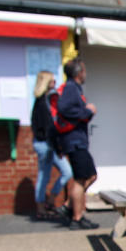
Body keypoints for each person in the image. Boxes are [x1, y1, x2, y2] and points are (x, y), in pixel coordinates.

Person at [56, 58, 99, 229]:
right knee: (82, 179)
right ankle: (76, 217)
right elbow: (64, 108)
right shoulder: (71, 88)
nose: (85, 74)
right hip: (75, 142)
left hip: (76, 141)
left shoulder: (73, 88)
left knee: (90, 176)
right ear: (79, 72)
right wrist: (87, 111)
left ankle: (70, 206)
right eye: (84, 70)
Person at [30, 71, 72, 220]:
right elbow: (48, 128)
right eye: (52, 81)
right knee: (44, 176)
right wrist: (58, 147)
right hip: (45, 145)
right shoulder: (41, 103)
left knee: (67, 172)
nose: (55, 84)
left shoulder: (48, 100)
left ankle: (49, 201)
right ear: (46, 82)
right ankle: (41, 208)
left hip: (50, 144)